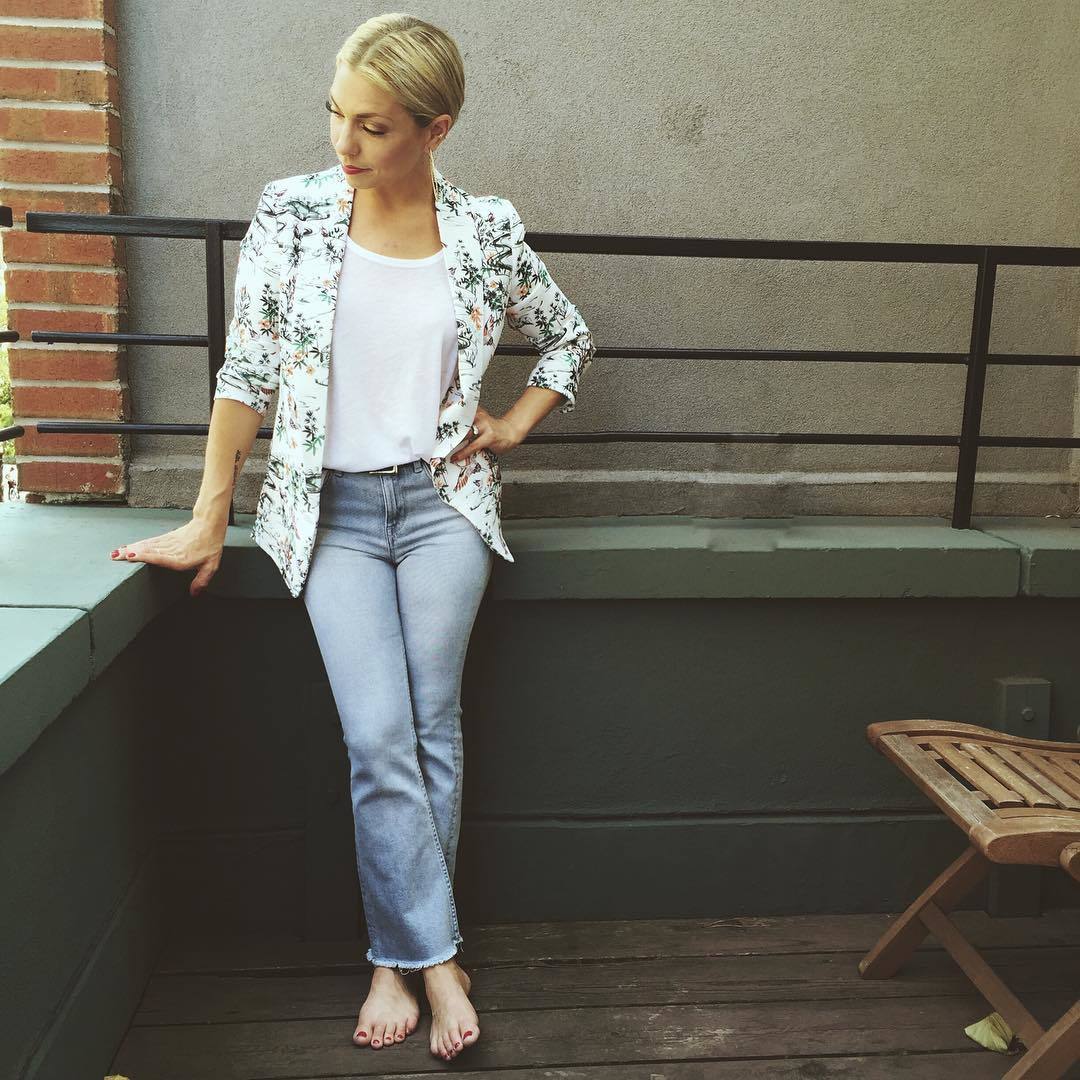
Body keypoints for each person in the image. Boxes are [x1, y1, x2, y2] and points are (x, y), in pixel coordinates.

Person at [108, 12, 595, 1065]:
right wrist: (208, 510)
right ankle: (437, 959)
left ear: (435, 129)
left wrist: (515, 422)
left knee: (431, 732)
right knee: (379, 738)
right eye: (336, 114)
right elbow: (247, 369)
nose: (345, 141)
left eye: (374, 126)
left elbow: (568, 335)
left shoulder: (484, 228)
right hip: (328, 514)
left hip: (443, 507)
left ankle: (395, 961)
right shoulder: (291, 212)